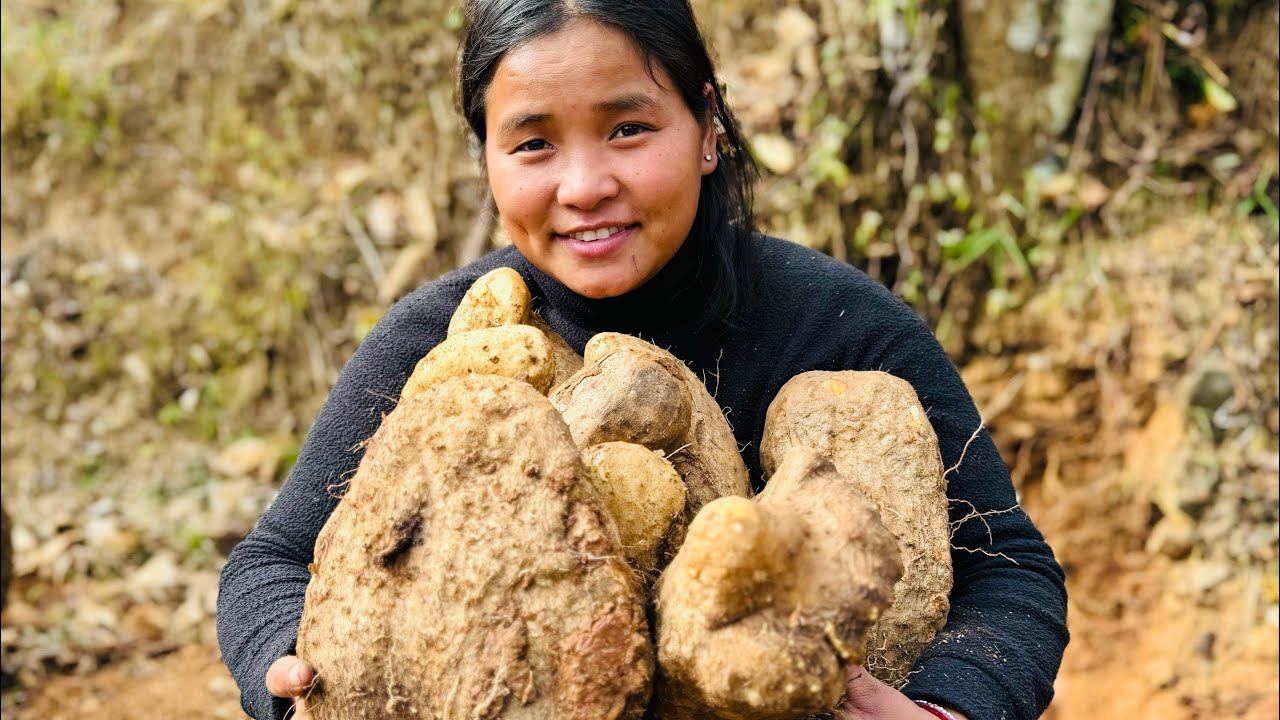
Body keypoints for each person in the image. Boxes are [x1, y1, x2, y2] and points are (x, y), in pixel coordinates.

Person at [216, 2, 1069, 719]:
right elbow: (271, 564)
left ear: (706, 128)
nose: (584, 184)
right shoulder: (439, 344)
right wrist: (294, 670)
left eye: (628, 128)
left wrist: (950, 706)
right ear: (486, 157)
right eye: (532, 144)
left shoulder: (843, 329)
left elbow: (1013, 573)